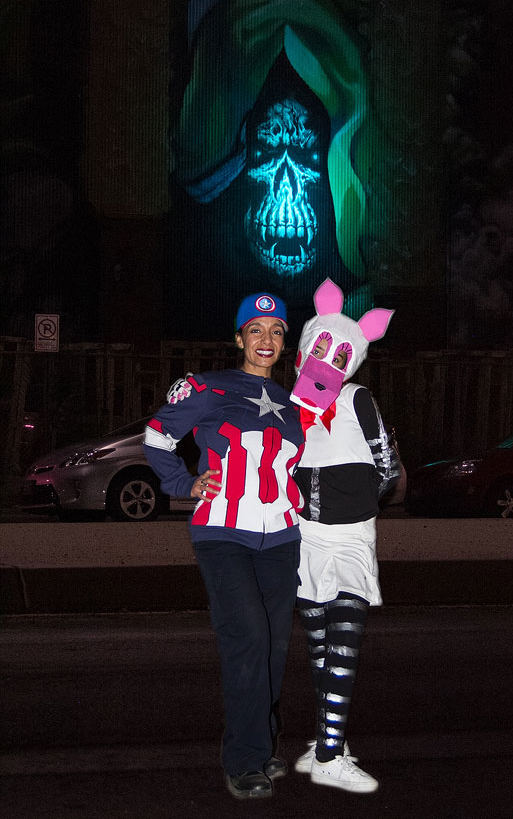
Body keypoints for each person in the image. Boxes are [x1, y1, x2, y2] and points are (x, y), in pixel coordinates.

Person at [143, 293, 305, 801]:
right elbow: (157, 435)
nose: (266, 340)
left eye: (276, 331)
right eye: (255, 330)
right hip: (223, 535)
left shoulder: (294, 404)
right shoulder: (208, 387)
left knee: (275, 645)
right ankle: (243, 759)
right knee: (248, 638)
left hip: (283, 538)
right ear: (239, 339)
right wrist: (182, 483)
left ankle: (262, 741)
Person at [289, 278, 401, 794]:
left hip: (351, 538)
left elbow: (386, 464)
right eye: (320, 346)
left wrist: (355, 503)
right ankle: (326, 745)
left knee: (344, 649)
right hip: (304, 540)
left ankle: (330, 753)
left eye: (339, 353)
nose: (327, 359)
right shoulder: (286, 407)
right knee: (320, 652)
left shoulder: (358, 399)